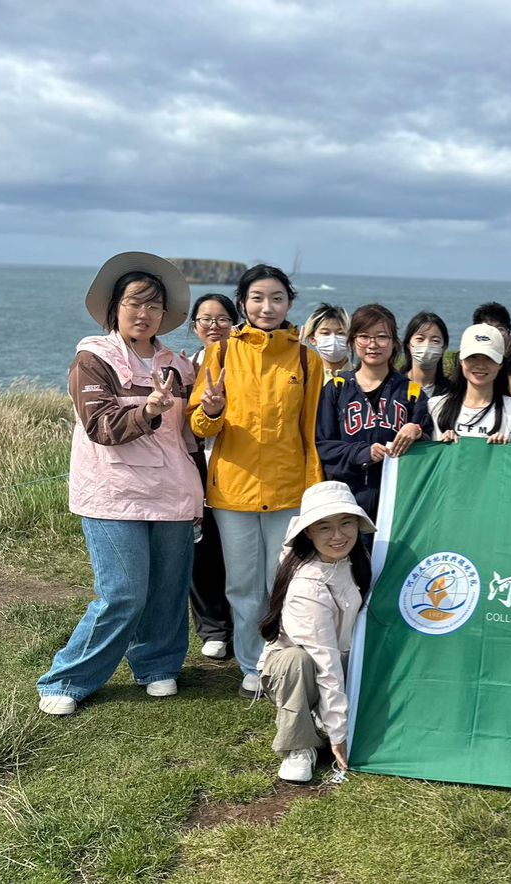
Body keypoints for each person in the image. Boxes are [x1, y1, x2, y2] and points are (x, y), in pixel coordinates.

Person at [37, 252, 203, 716]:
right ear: (115, 307)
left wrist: (209, 410)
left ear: (164, 313)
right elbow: (100, 425)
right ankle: (68, 678)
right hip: (111, 493)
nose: (143, 313)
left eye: (153, 305)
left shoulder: (179, 365)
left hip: (172, 490)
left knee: (169, 589)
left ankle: (158, 664)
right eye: (134, 303)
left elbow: (191, 432)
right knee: (124, 593)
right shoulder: (93, 359)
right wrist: (148, 410)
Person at [188, 265, 324, 699]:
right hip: (233, 490)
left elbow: (311, 433)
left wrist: (314, 491)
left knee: (282, 583)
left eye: (277, 298)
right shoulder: (222, 353)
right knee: (243, 586)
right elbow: (199, 426)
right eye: (258, 298)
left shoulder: (307, 359)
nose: (268, 307)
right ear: (243, 303)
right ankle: (251, 664)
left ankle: (281, 660)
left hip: (289, 490)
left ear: (290, 303)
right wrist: (211, 410)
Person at [258, 481, 373, 784]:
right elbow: (325, 661)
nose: (338, 535)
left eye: (346, 523)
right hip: (302, 670)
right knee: (298, 661)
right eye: (324, 527)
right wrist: (339, 734)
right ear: (308, 532)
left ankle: (325, 717)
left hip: (346, 660)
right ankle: (299, 745)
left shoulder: (358, 558)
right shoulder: (307, 586)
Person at [316, 304, 426, 522]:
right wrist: (363, 453)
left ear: (394, 343)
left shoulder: (412, 392)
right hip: (349, 505)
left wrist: (418, 431)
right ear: (352, 341)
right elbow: (323, 446)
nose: (373, 344)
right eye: (364, 336)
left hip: (399, 507)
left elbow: (430, 453)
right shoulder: (337, 389)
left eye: (382, 337)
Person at [186, 293, 237, 660]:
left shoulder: (245, 362)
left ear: (236, 324)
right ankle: (213, 627)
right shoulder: (185, 366)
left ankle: (242, 621)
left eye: (222, 319)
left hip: (237, 465)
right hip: (195, 465)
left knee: (238, 548)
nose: (214, 326)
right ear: (194, 327)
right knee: (201, 548)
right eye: (205, 319)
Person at [424, 324, 511, 446]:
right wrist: (442, 444)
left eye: (489, 358)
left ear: (500, 363)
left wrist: (505, 450)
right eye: (472, 357)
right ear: (461, 360)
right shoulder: (436, 406)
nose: (480, 365)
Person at [400, 311, 452, 398]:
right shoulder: (394, 386)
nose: (427, 345)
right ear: (408, 344)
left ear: (444, 347)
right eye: (420, 339)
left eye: (435, 341)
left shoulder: (452, 392)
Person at [301, 303, 352, 383]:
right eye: (325, 333)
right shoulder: (305, 376)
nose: (333, 338)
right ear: (313, 339)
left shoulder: (361, 375)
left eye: (340, 333)